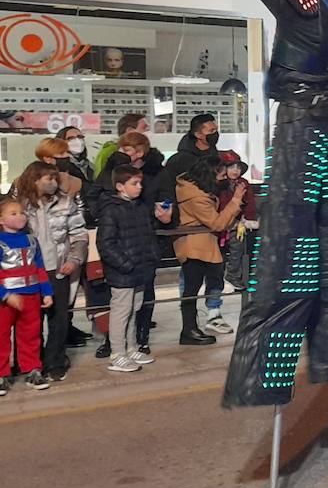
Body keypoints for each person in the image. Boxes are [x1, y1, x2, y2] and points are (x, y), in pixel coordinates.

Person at [12, 161, 86, 381]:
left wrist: (74, 259)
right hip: (28, 273)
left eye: (55, 179)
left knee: (58, 319)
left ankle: (55, 361)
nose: (54, 182)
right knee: (27, 321)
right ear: (34, 179)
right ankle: (28, 362)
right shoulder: (17, 206)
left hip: (58, 269)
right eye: (48, 179)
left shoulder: (66, 202)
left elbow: (79, 234)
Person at [95, 166, 170, 373]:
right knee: (121, 311)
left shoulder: (138, 207)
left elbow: (146, 235)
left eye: (140, 183)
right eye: (134, 184)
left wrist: (151, 258)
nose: (139, 187)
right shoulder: (111, 209)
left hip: (140, 268)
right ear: (120, 186)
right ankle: (117, 353)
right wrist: (125, 264)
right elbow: (106, 244)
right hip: (124, 271)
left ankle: (131, 347)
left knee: (134, 308)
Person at [173, 156, 243, 346]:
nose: (222, 179)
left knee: (194, 287)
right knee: (191, 289)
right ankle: (189, 329)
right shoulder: (197, 197)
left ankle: (193, 327)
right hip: (195, 246)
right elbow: (217, 223)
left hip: (199, 243)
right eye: (220, 175)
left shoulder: (190, 187)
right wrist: (236, 200)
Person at [0, 197, 54, 393]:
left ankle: (32, 370)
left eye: (22, 213)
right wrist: (5, 295)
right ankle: (1, 374)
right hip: (5, 300)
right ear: (1, 219)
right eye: (13, 213)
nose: (20, 216)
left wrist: (46, 292)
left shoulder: (32, 240)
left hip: (31, 297)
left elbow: (39, 267)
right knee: (1, 336)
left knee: (31, 335)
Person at [205, 151, 256, 335]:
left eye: (237, 167)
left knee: (239, 249)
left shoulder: (243, 184)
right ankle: (212, 312)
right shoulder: (218, 186)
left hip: (237, 225)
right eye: (230, 166)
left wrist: (249, 219)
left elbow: (249, 204)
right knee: (215, 268)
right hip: (219, 227)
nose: (235, 170)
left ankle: (234, 275)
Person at [152, 113, 221, 206]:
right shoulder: (178, 160)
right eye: (211, 131)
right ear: (198, 134)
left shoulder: (217, 157)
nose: (215, 133)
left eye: (216, 129)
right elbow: (168, 189)